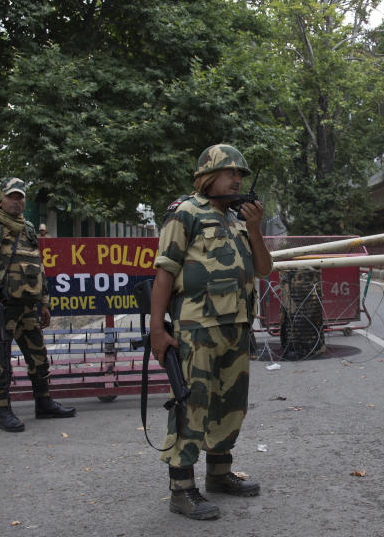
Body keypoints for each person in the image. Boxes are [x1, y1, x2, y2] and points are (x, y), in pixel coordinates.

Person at [149, 144, 273, 520]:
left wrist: (254, 227)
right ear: (207, 176)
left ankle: (219, 474)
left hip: (236, 326)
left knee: (230, 403)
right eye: (230, 172)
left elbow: (264, 269)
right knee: (192, 406)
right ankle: (182, 489)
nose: (237, 179)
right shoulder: (185, 213)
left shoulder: (238, 219)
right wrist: (157, 329)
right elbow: (165, 272)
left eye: (241, 174)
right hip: (197, 328)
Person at [0, 178, 76, 432]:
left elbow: (38, 268)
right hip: (1, 307)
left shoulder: (29, 228)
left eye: (20, 197)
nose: (17, 201)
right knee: (0, 360)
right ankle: (3, 410)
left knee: (39, 358)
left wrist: (44, 303)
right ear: (2, 198)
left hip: (28, 308)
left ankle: (43, 404)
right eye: (12, 197)